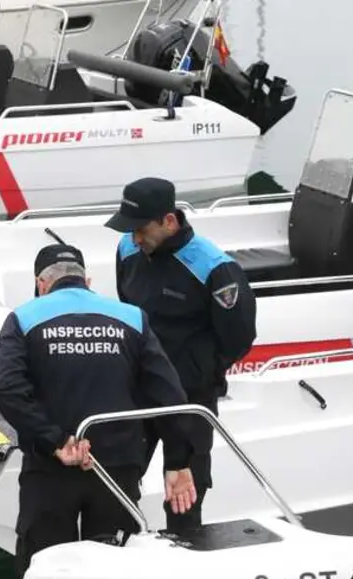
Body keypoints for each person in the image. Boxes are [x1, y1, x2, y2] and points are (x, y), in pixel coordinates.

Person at [0, 243, 199, 579]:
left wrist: (54, 440)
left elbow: (4, 387)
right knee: (111, 566)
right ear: (86, 281)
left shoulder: (23, 318)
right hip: (116, 469)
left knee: (43, 565)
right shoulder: (131, 318)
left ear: (41, 283)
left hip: (51, 469)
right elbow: (168, 394)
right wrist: (177, 461)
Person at [107, 176, 257, 532]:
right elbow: (128, 309)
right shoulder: (128, 250)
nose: (134, 238)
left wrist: (199, 371)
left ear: (169, 221)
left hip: (191, 397)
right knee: (117, 482)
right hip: (140, 392)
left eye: (140, 229)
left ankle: (185, 540)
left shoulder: (214, 268)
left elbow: (238, 336)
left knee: (185, 494)